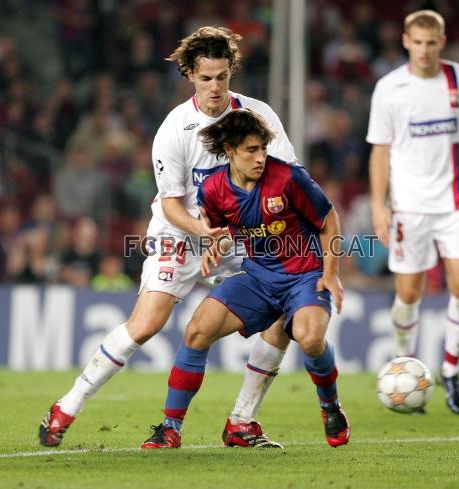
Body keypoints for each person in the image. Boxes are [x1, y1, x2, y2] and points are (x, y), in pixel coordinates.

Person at [39, 27, 296, 449]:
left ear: (231, 72)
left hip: (237, 236)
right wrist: (204, 232)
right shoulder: (176, 128)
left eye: (221, 77)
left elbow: (285, 181)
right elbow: (173, 203)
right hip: (182, 233)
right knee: (147, 324)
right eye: (205, 78)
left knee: (285, 307)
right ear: (191, 76)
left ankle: (242, 421)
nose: (214, 87)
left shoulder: (259, 117)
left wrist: (235, 231)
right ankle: (67, 405)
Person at [141, 108, 349, 449]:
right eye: (251, 150)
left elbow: (329, 221)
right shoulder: (213, 189)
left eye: (263, 149)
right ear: (230, 150)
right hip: (259, 277)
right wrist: (214, 244)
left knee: (309, 339)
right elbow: (225, 231)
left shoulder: (288, 178)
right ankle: (170, 427)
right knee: (197, 329)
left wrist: (331, 274)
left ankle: (330, 406)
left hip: (304, 276)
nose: (260, 158)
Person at [367, 10, 459, 414]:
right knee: (409, 293)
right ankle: (403, 366)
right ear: (405, 41)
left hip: (458, 204)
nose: (425, 50)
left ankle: (450, 372)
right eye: (418, 42)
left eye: (432, 43)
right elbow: (380, 150)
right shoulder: (390, 88)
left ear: (442, 42)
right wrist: (380, 205)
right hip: (409, 208)